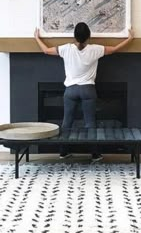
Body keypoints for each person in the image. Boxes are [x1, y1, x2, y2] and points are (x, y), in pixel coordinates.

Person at [34, 23, 134, 162]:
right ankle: (94, 154)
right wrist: (129, 39)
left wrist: (37, 38)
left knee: (67, 122)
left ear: (74, 36)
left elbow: (45, 51)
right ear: (89, 36)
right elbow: (115, 49)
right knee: (90, 123)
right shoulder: (95, 49)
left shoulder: (66, 49)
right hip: (88, 90)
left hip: (70, 91)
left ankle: (63, 151)